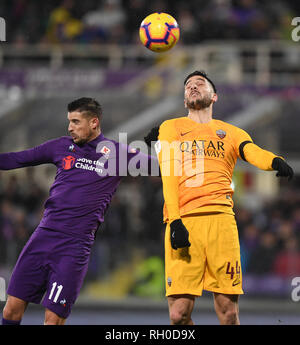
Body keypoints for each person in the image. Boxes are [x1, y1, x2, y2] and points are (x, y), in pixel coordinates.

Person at [144, 70, 294, 325]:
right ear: (184, 100)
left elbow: (252, 151)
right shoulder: (170, 128)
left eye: (199, 83)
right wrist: (176, 220)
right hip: (184, 223)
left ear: (214, 96)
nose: (192, 86)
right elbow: (168, 176)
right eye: (188, 85)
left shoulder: (231, 132)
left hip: (221, 223)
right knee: (178, 314)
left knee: (228, 312)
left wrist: (274, 161)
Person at [1, 97, 158, 325]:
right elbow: (18, 158)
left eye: (75, 121)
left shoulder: (117, 154)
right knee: (11, 311)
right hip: (43, 237)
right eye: (69, 121)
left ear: (94, 122)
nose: (70, 127)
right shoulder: (61, 146)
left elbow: (163, 167)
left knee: (52, 321)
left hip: (73, 247)